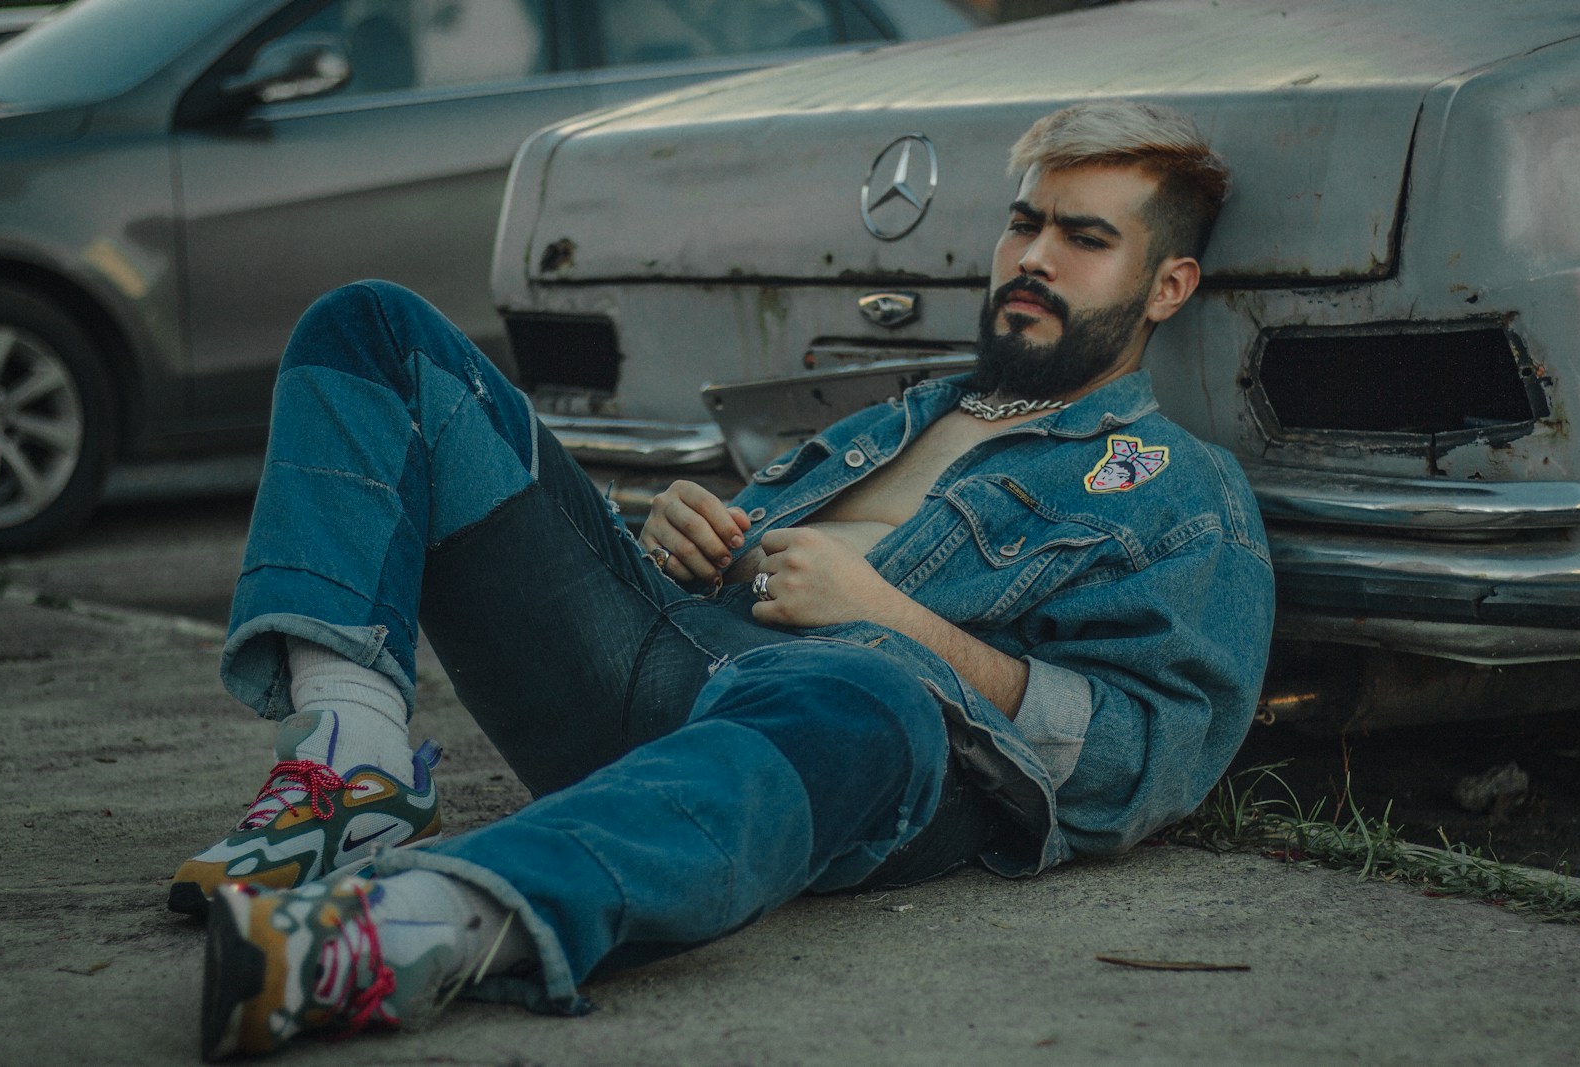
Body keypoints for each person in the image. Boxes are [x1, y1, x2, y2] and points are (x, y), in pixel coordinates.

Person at [183, 99, 1274, 1060]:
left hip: (849, 752)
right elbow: (737, 574)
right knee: (374, 327)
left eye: (1085, 237)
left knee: (868, 686)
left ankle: (416, 928)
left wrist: (891, 621)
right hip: (663, 672)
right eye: (1024, 222)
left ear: (1168, 284)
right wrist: (687, 543)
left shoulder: (1178, 489)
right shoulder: (897, 417)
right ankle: (354, 765)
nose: (1033, 256)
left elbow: (1148, 760)